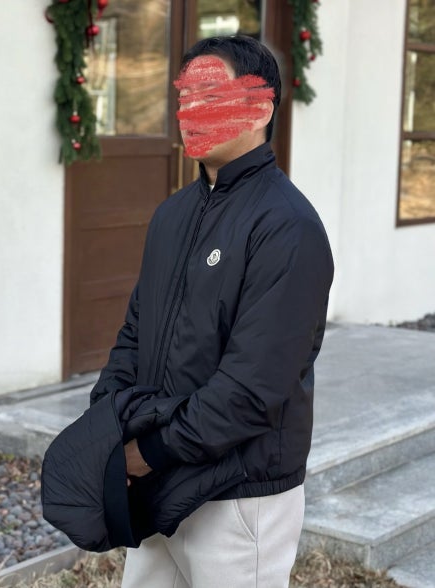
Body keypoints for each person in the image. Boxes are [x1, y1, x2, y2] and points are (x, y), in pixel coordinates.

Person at [90, 35, 334, 588]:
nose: (191, 112)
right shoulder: (172, 215)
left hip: (239, 496)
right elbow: (135, 333)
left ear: (262, 107)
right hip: (158, 481)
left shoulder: (287, 227)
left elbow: (254, 387)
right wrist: (108, 429)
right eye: (185, 98)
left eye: (212, 96)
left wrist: (146, 452)